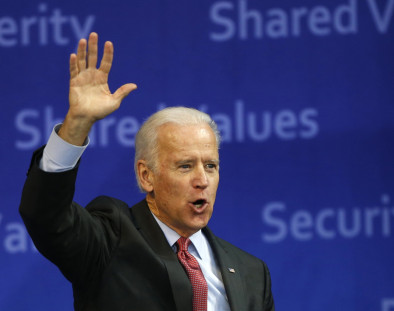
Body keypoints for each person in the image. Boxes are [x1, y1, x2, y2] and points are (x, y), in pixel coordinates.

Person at [19, 32, 275, 311]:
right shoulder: (110, 241)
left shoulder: (252, 273)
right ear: (146, 176)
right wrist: (77, 124)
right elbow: (45, 215)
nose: (202, 181)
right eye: (185, 166)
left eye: (210, 166)